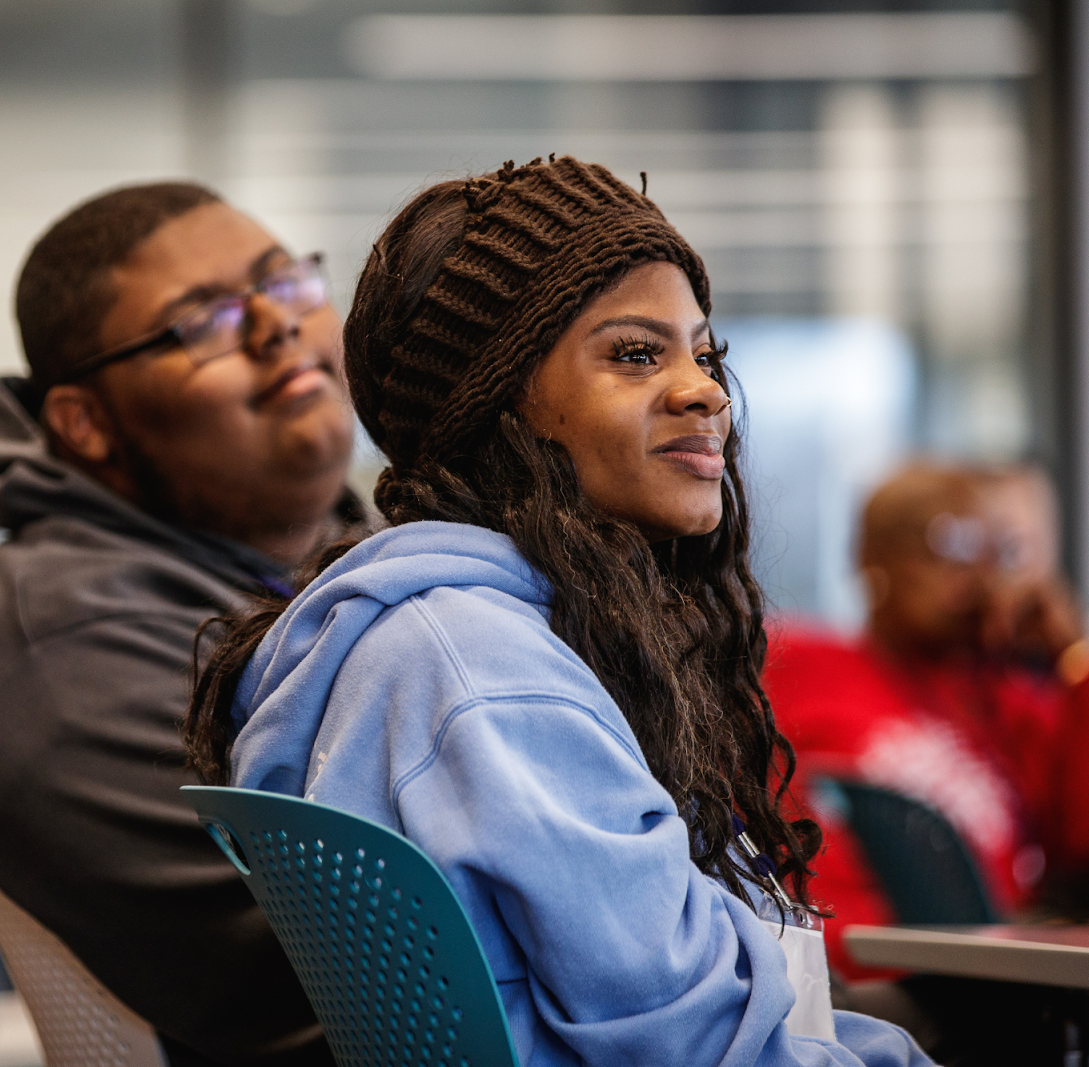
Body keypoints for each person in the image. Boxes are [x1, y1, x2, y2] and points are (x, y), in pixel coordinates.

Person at [186, 157, 926, 1066]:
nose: (707, 391)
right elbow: (696, 1045)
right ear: (503, 401)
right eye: (634, 353)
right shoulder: (480, 669)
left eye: (704, 352)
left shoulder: (472, 635)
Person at [0, 182, 358, 1067]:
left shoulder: (353, 558)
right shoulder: (59, 676)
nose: (276, 326)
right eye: (205, 320)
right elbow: (382, 1000)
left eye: (286, 282)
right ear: (86, 424)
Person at [763, 463, 1089, 1054]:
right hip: (843, 974)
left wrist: (1076, 658)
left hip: (986, 983)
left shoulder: (1003, 705)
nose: (971, 579)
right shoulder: (804, 664)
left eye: (987, 552)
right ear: (874, 562)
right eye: (946, 546)